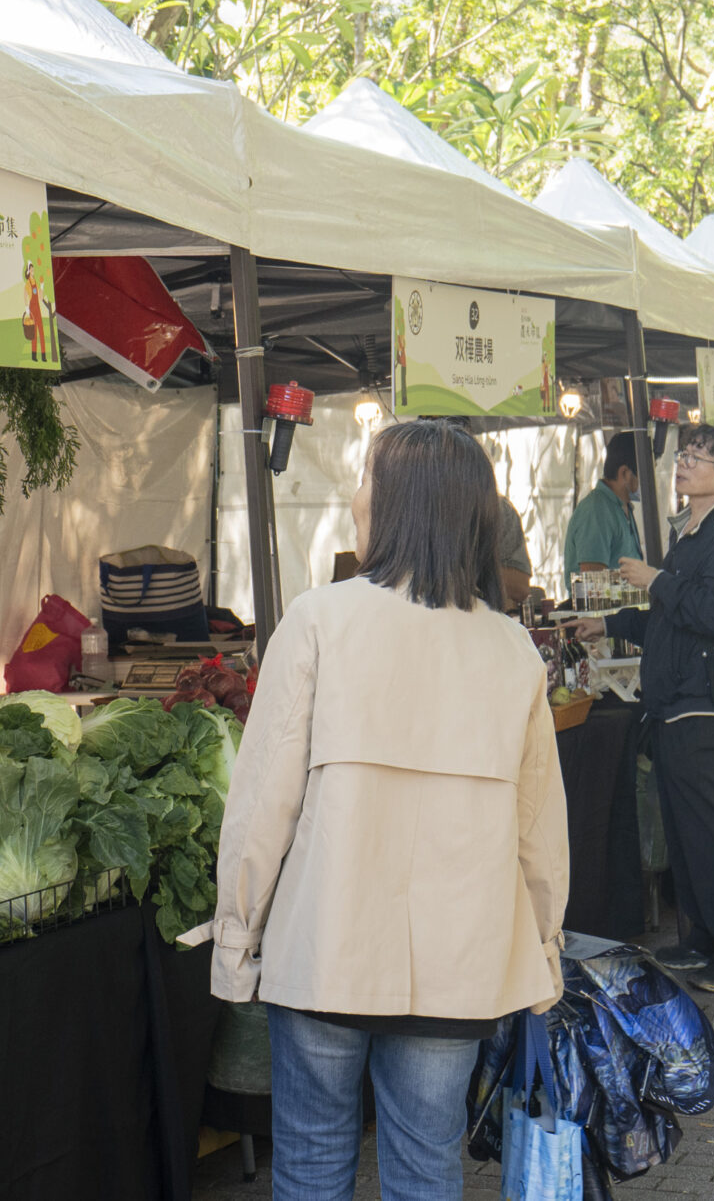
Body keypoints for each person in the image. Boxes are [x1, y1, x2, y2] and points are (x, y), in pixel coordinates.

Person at [201, 419, 566, 1200]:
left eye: (366, 477)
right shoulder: (514, 653)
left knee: (310, 1164)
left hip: (325, 947)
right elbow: (539, 833)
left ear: (396, 503)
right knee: (427, 1169)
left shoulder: (319, 620)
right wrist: (543, 946)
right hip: (460, 962)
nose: (356, 495)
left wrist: (236, 937)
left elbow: (263, 804)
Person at [574, 423, 714, 992]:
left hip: (704, 701)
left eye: (698, 459)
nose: (683, 465)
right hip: (674, 701)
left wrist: (657, 579)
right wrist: (607, 622)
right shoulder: (691, 532)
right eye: (682, 455)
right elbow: (668, 614)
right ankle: (701, 937)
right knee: (685, 831)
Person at [563, 432, 644, 589]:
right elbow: (593, 583)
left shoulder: (623, 507)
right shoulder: (597, 511)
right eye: (643, 474)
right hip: (605, 613)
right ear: (625, 473)